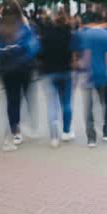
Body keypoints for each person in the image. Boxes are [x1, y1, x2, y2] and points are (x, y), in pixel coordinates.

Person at [0, 0, 40, 151]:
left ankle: (15, 131)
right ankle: (30, 123)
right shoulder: (24, 28)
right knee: (27, 95)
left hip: (7, 71)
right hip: (24, 69)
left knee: (12, 100)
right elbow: (34, 48)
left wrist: (2, 56)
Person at [78, 6, 107, 148]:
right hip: (104, 75)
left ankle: (91, 137)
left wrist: (84, 73)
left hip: (90, 75)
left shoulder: (85, 35)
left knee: (88, 107)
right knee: (105, 104)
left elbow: (86, 56)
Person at [39, 8, 75, 147]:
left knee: (52, 105)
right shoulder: (69, 34)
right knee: (66, 103)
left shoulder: (46, 34)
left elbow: (40, 54)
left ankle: (54, 136)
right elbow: (73, 52)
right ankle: (66, 131)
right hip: (65, 71)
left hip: (49, 72)